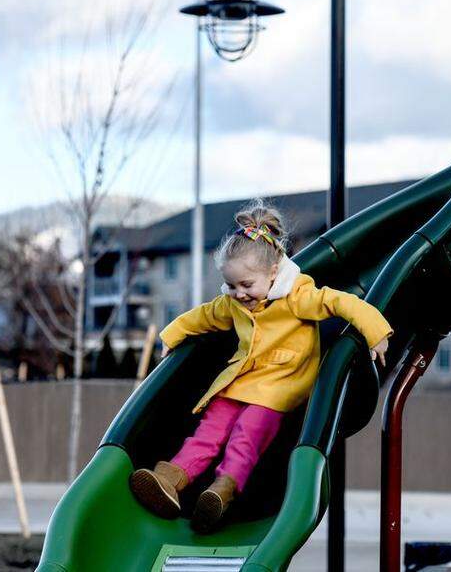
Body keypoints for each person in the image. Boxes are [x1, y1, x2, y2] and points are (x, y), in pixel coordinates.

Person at [129, 200, 392, 533]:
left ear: (273, 272)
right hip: (240, 381)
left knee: (245, 436)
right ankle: (169, 479)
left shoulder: (298, 295)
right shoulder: (234, 302)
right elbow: (206, 315)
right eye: (232, 286)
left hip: (278, 388)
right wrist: (173, 334)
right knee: (207, 432)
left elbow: (340, 301)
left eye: (246, 285)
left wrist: (376, 332)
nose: (239, 294)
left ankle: (222, 492)